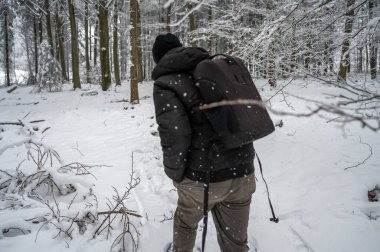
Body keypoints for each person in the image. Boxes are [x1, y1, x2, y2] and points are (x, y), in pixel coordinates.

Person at [151, 33, 256, 252]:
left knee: (186, 224)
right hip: (242, 170)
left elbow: (175, 137)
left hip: (202, 179)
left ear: (158, 59)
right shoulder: (216, 68)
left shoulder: (166, 84)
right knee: (236, 243)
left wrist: (176, 175)